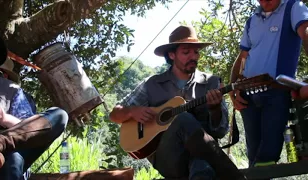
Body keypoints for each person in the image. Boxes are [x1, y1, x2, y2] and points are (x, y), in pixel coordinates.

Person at [110, 25, 246, 180]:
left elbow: (221, 131)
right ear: (172, 54)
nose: (193, 56)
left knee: (202, 168)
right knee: (181, 118)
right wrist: (131, 111)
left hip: (203, 157)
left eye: (196, 52)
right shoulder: (152, 84)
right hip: (169, 159)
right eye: (186, 52)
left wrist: (215, 109)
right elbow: (114, 114)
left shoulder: (212, 82)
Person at [229, 0, 308, 167]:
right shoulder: (252, 20)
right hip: (247, 95)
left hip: (276, 91)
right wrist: (233, 86)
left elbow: (306, 33)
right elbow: (244, 55)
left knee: (267, 156)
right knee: (253, 156)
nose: (264, 1)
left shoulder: (294, 7)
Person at [0, 25, 69, 179]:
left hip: (1, 157)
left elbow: (31, 131)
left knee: (59, 115)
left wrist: (3, 118)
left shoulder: (10, 89)